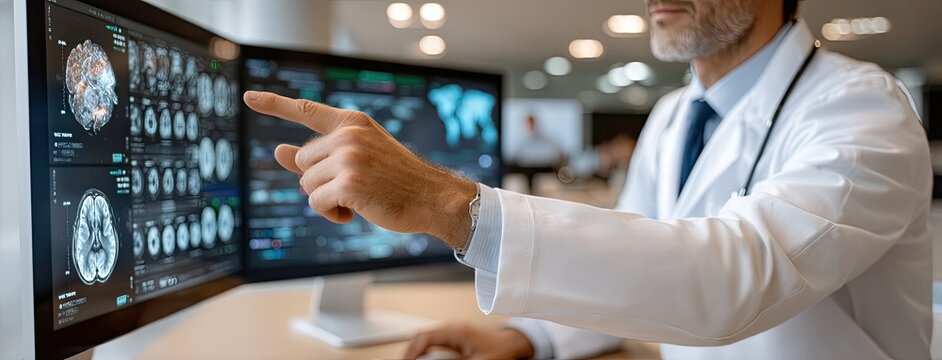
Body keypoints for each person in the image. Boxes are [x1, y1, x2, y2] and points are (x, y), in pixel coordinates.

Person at [243, 0, 932, 357]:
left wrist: (443, 201)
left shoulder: (861, 109)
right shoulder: (672, 115)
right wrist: (534, 338)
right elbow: (639, 268)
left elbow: (732, 281)